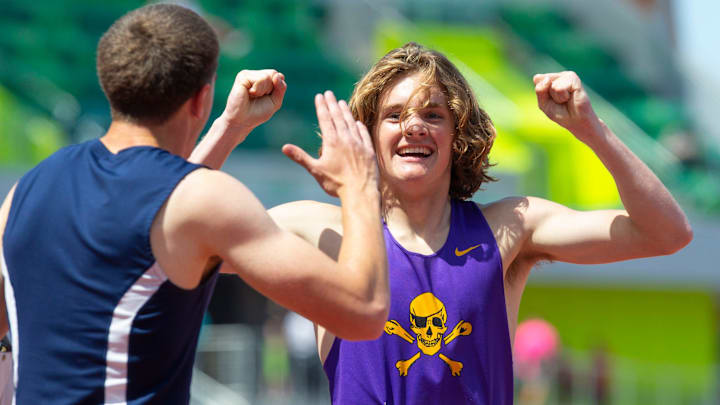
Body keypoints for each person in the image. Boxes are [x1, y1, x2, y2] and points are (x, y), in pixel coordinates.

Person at [197, 42, 692, 403]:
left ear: (458, 136)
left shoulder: (511, 228)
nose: (413, 125)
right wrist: (230, 126)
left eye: (432, 114)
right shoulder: (323, 232)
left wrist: (591, 128)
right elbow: (166, 239)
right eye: (394, 115)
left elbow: (666, 233)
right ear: (367, 135)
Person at [0, 4, 390, 404]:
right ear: (202, 98)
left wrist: (230, 127)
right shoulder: (206, 199)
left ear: (110, 82)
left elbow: (160, 211)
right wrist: (359, 183)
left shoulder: (27, 191)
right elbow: (362, 311)